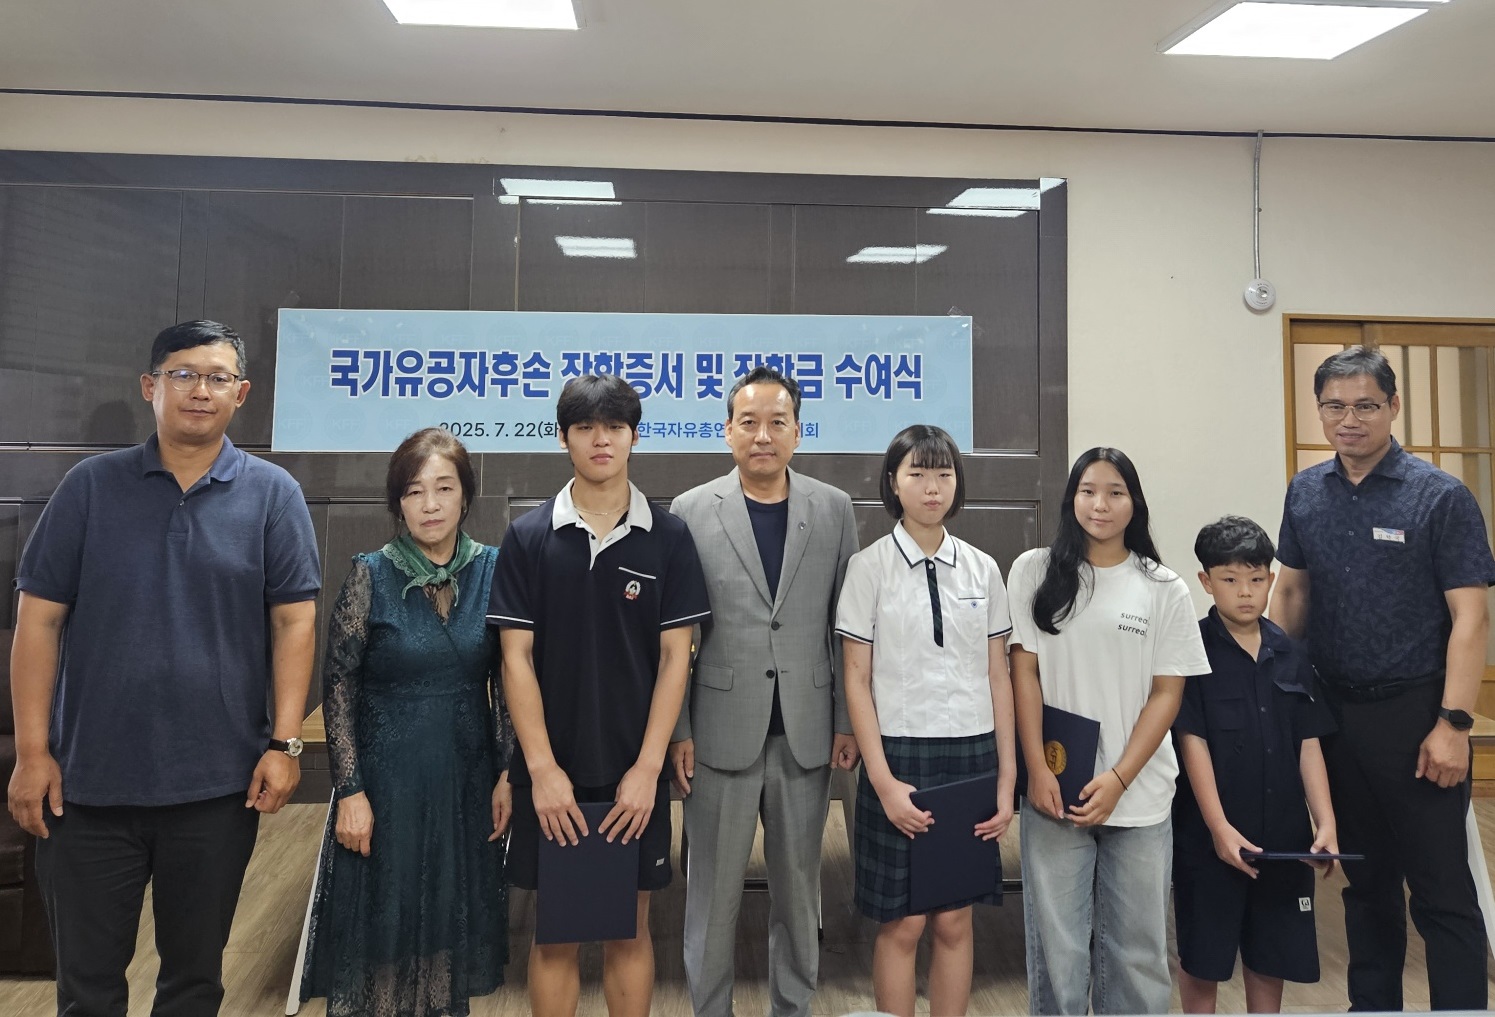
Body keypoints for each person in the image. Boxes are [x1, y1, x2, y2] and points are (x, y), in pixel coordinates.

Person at [6, 320, 321, 1016]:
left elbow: (294, 621)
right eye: (183, 374)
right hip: (87, 788)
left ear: (240, 393)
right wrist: (32, 753)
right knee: (87, 989)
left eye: (216, 377)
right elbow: (38, 620)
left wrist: (285, 742)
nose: (199, 390)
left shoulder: (273, 495)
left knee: (193, 983)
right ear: (151, 387)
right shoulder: (90, 487)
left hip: (216, 788)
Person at [1271, 345, 1495, 1012]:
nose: (1349, 419)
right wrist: (1276, 694)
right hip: (1335, 713)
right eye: (1334, 406)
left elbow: (1471, 618)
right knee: (1364, 885)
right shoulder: (1305, 491)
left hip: (1416, 715)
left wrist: (1454, 724)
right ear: (1318, 410)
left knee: (1440, 890)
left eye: (1365, 405)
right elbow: (1292, 594)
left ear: (1393, 406)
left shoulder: (1440, 496)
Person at [488, 374, 711, 1017]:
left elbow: (675, 660)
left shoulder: (669, 537)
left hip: (632, 773)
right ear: (563, 439)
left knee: (629, 927)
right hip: (548, 772)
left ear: (635, 437)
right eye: (585, 427)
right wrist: (541, 770)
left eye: (614, 426)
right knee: (554, 930)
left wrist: (647, 770)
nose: (601, 439)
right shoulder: (528, 537)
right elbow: (514, 659)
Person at [667, 366, 861, 1017]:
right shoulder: (691, 511)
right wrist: (679, 729)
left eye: (777, 422)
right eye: (748, 422)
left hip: (805, 733)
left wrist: (845, 719)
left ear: (797, 432)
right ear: (726, 431)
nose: (762, 435)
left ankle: (793, 1007)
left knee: (800, 897)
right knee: (711, 900)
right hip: (717, 732)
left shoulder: (833, 509)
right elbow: (676, 637)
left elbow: (844, 627)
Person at [299, 428, 512, 1017]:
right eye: (415, 491)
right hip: (386, 786)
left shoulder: (493, 569)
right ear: (398, 502)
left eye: (445, 488)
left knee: (448, 925)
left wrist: (506, 774)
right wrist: (350, 790)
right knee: (384, 932)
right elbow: (338, 684)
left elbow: (508, 683)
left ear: (466, 497)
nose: (431, 504)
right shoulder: (370, 574)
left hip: (464, 780)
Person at [1007, 446, 1209, 1016]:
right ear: (1071, 499)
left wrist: (1119, 778)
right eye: (1088, 491)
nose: (1101, 504)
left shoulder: (1162, 586)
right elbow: (1024, 674)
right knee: (1058, 949)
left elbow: (1168, 693)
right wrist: (1036, 768)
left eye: (1115, 492)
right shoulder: (1033, 571)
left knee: (1138, 951)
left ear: (1134, 503)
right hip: (1056, 790)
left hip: (1139, 794)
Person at [833, 424, 1017, 1017]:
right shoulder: (868, 568)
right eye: (917, 473)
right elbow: (856, 681)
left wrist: (1007, 780)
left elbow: (999, 678)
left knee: (955, 919)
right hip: (898, 757)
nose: (932, 487)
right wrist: (884, 783)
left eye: (943, 474)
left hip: (972, 756)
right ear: (893, 482)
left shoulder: (983, 569)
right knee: (903, 922)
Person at [1172, 515, 1339, 1014]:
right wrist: (1219, 828)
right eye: (1229, 579)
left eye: (1256, 578)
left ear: (1271, 578)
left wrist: (1325, 822)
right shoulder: (1191, 651)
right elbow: (1192, 741)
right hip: (1210, 839)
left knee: (1272, 954)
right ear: (1206, 581)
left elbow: (1308, 743)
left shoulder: (1291, 653)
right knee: (1203, 956)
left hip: (1283, 837)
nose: (1245, 591)